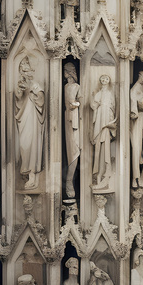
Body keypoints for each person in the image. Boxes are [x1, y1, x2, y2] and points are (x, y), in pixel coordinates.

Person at [14, 57, 45, 190]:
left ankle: (32, 174)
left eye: (27, 70)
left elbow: (41, 100)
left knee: (32, 145)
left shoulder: (36, 85)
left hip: (33, 119)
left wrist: (31, 90)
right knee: (23, 144)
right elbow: (18, 99)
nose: (25, 73)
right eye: (23, 70)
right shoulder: (19, 84)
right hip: (23, 119)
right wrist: (21, 91)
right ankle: (25, 172)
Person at [91, 74, 116, 191]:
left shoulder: (110, 94)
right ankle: (98, 175)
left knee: (105, 147)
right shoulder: (99, 93)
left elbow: (113, 107)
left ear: (109, 81)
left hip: (106, 121)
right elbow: (93, 106)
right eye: (102, 79)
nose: (104, 80)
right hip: (100, 119)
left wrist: (111, 122)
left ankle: (105, 173)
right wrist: (95, 104)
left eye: (106, 78)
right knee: (98, 147)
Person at [129, 70, 143, 189]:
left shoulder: (142, 87)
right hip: (136, 121)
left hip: (142, 120)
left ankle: (139, 177)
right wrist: (139, 108)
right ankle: (135, 178)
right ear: (140, 76)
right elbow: (135, 106)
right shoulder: (135, 89)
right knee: (136, 149)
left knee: (140, 148)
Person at [63, 63, 81, 200]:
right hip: (68, 119)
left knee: (75, 150)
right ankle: (69, 181)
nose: (66, 73)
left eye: (68, 71)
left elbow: (81, 101)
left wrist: (75, 104)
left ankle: (70, 180)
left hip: (76, 121)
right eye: (65, 71)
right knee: (71, 151)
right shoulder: (66, 87)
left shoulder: (76, 87)